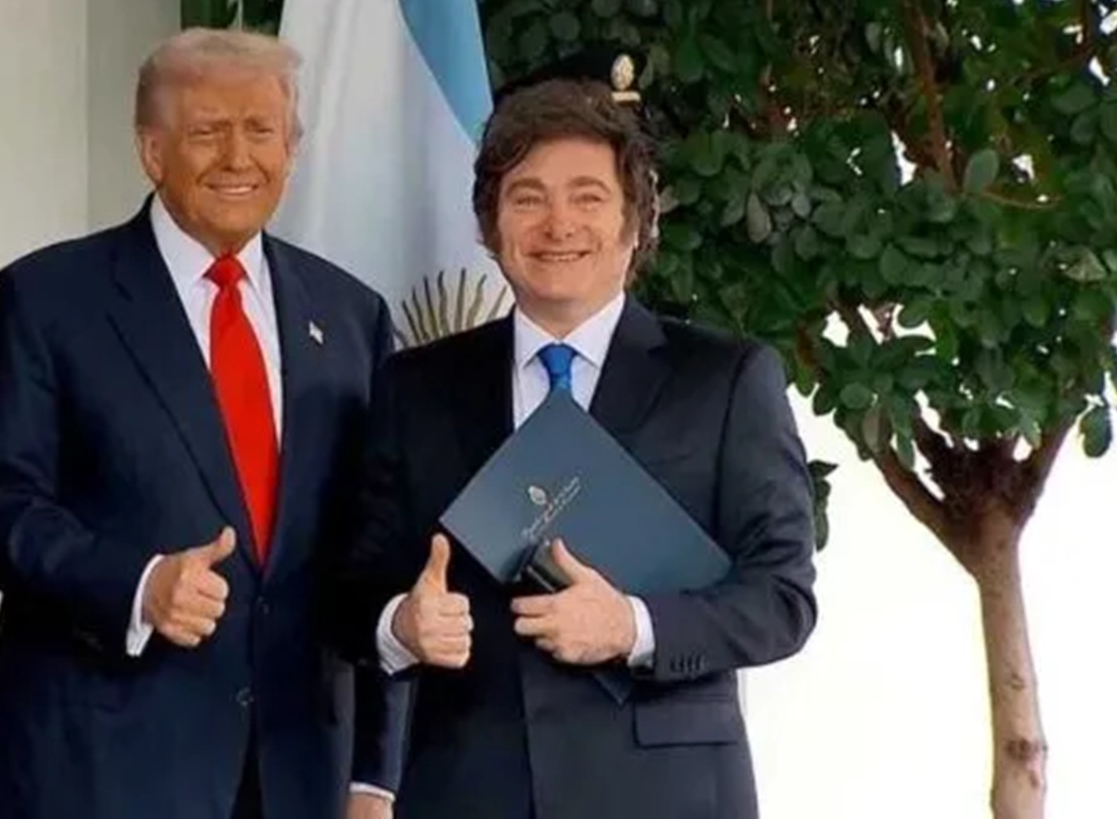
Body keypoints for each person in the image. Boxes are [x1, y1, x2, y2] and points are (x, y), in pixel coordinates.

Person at [329, 51, 819, 819]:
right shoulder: (414, 386)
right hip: (467, 791)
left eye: (587, 197)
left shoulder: (724, 381)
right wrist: (400, 624)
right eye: (526, 199)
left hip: (666, 797)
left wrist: (633, 627)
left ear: (635, 223)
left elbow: (782, 597)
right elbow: (350, 588)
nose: (557, 224)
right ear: (490, 228)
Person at [0, 28, 407, 819]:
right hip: (93, 768)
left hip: (296, 773)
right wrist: (137, 584)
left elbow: (374, 548)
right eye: (207, 131)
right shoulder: (45, 300)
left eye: (260, 130)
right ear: (151, 151)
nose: (238, 156)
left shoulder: (351, 314)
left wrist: (374, 774)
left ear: (291, 150)